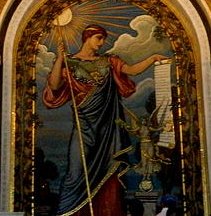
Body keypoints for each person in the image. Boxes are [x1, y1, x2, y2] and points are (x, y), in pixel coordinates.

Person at [44, 24, 167, 216]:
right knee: (76, 171)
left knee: (108, 173)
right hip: (84, 124)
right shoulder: (70, 63)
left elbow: (133, 70)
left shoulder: (109, 62)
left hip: (107, 127)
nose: (101, 43)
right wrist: (60, 58)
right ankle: (69, 213)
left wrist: (152, 58)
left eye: (103, 39)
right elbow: (54, 85)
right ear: (88, 37)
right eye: (98, 38)